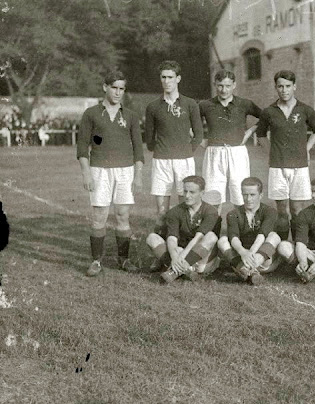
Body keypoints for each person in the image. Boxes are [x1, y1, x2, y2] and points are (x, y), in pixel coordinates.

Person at [77, 71, 144, 276]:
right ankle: (96, 261)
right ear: (105, 87)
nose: (118, 92)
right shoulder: (91, 113)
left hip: (125, 171)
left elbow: (139, 149)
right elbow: (82, 147)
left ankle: (123, 259)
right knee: (99, 216)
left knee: (123, 215)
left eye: (121, 88)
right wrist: (87, 174)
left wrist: (139, 175)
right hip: (99, 170)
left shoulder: (130, 115)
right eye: (114, 87)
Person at [255, 70, 315, 241]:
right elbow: (261, 134)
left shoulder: (305, 109)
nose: (284, 90)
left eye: (287, 86)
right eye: (280, 86)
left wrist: (306, 148)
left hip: (299, 165)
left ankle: (299, 244)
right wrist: (271, 151)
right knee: (282, 210)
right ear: (276, 87)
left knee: (297, 209)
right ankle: (284, 247)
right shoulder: (269, 111)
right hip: (277, 166)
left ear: (295, 87)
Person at [145, 60, 203, 237]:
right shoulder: (153, 106)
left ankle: (183, 248)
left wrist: (185, 151)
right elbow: (149, 139)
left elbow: (199, 135)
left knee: (186, 208)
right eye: (163, 77)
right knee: (162, 212)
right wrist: (164, 150)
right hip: (161, 162)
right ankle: (163, 256)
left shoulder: (190, 104)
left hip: (184, 162)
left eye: (170, 77)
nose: (166, 81)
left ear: (178, 78)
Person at [199, 70, 262, 208]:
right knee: (212, 197)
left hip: (237, 152)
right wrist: (199, 140)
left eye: (227, 86)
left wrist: (249, 131)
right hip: (214, 153)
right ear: (215, 84)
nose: (224, 90)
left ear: (234, 85)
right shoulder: (205, 105)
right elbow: (189, 122)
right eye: (220, 85)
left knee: (240, 196)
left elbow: (265, 117)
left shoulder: (244, 103)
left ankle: (241, 229)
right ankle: (213, 229)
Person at [145, 176, 220, 283]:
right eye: (185, 191)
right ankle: (186, 269)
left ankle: (175, 270)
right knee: (152, 238)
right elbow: (172, 237)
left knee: (211, 236)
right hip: (181, 252)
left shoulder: (210, 211)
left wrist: (182, 257)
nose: (187, 196)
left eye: (192, 192)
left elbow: (198, 238)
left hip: (201, 255)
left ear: (202, 193)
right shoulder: (175, 211)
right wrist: (175, 256)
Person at [217, 177, 282, 285]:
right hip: (242, 257)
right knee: (222, 240)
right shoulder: (233, 214)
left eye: (252, 195)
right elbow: (233, 237)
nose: (248, 199)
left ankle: (246, 270)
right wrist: (243, 252)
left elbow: (263, 234)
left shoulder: (270, 211)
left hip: (262, 258)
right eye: (245, 195)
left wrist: (250, 254)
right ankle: (250, 273)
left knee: (274, 236)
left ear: (261, 195)